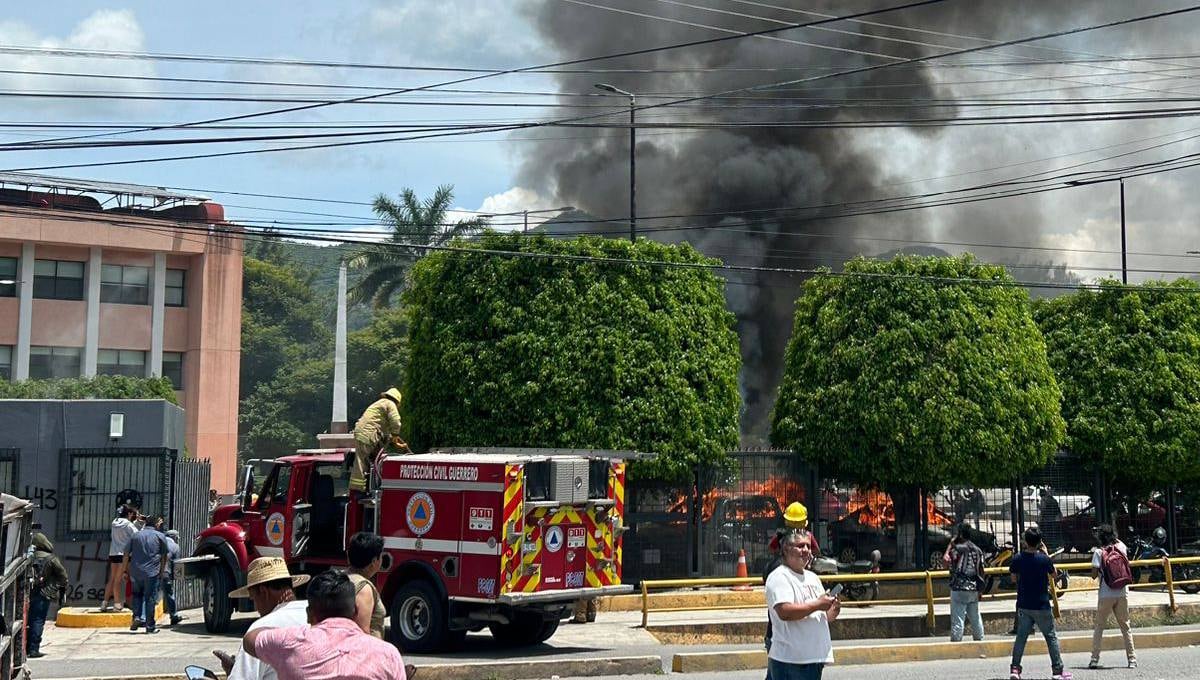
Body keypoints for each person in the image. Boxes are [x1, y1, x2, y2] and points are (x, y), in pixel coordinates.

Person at [245, 570, 407, 680]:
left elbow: (250, 639)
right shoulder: (388, 654)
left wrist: (292, 632)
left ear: (309, 614)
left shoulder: (289, 642)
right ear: (356, 611)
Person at [217, 557, 311, 680]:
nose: (256, 608)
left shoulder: (261, 630)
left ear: (263, 592)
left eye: (253, 599)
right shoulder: (317, 613)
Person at [765, 529, 840, 680]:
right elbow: (785, 611)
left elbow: (822, 616)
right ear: (786, 549)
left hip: (812, 660)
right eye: (800, 546)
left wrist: (833, 610)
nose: (806, 550)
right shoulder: (780, 576)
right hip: (791, 662)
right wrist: (818, 604)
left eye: (808, 546)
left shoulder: (812, 578)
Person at [1008, 527, 1070, 680]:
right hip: (1041, 604)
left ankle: (1015, 669)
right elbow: (1055, 575)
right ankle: (1057, 670)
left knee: (1021, 638)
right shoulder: (1044, 559)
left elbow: (1013, 579)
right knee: (1050, 637)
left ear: (1025, 541)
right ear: (1040, 542)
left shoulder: (1017, 558)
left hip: (1024, 603)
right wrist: (1046, 554)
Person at [1089, 524, 1136, 669]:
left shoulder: (1098, 552)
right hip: (1122, 592)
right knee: (1125, 626)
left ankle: (1094, 659)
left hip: (1106, 593)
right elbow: (1119, 544)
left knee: (1099, 627)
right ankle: (1132, 659)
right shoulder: (1121, 547)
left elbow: (1093, 575)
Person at [350, 388, 406, 493]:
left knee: (372, 459)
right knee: (361, 461)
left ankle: (370, 487)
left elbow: (383, 430)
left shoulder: (380, 404)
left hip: (364, 433)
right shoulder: (390, 404)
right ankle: (358, 491)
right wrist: (395, 435)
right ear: (397, 401)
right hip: (368, 434)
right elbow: (396, 421)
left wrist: (392, 438)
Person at [124, 514, 169, 633]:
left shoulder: (136, 535)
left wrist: (125, 571)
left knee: (137, 595)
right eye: (159, 523)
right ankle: (150, 627)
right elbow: (164, 556)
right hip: (151, 573)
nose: (160, 524)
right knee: (150, 598)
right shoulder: (160, 536)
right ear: (156, 524)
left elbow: (126, 554)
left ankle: (137, 617)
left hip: (135, 572)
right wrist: (161, 571)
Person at [28, 532, 69, 659]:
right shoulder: (51, 558)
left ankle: (27, 647)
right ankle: (34, 649)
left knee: (28, 620)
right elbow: (63, 577)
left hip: (28, 594)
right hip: (44, 594)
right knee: (38, 620)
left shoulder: (29, 557)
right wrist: (56, 589)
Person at [944, 524, 985, 642]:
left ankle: (957, 641)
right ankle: (979, 639)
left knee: (958, 618)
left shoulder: (956, 549)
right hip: (974, 588)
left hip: (958, 587)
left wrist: (950, 544)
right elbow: (982, 570)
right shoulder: (978, 550)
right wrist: (981, 589)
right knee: (975, 617)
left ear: (960, 534)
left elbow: (945, 562)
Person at [346, 532, 387, 638]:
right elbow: (362, 632)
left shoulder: (337, 578)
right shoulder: (364, 588)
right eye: (381, 556)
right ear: (374, 561)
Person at [102, 504, 139, 612]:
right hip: (124, 554)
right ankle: (117, 604)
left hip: (113, 552)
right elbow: (137, 535)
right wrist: (139, 523)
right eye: (133, 514)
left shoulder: (114, 522)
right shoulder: (128, 524)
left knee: (112, 578)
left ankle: (104, 603)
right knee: (120, 579)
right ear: (129, 514)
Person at [162, 528, 185, 625]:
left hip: (152, 572)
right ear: (174, 537)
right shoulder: (175, 546)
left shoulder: (158, 542)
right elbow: (177, 563)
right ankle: (174, 615)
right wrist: (179, 577)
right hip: (165, 573)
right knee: (169, 594)